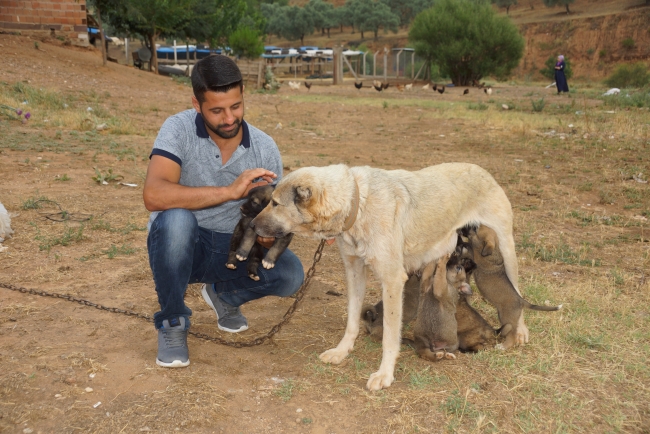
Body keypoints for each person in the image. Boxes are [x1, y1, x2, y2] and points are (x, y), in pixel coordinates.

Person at [143, 54, 304, 368]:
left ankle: (224, 295)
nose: (229, 118)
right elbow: (154, 194)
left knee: (290, 275)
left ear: (243, 94)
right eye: (217, 110)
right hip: (184, 248)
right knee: (176, 220)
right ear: (196, 103)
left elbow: (278, 211)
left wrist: (269, 236)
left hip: (236, 248)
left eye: (236, 106)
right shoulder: (177, 129)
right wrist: (229, 192)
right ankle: (172, 321)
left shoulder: (265, 147)